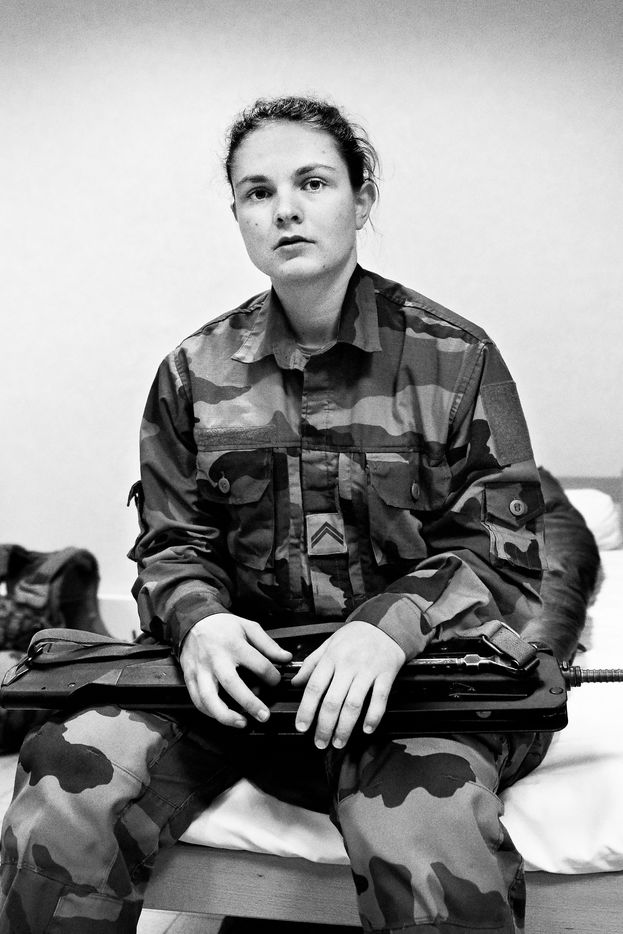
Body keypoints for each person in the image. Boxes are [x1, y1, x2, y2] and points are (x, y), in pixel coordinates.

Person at [0, 96, 552, 933]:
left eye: (312, 182)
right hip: (241, 694)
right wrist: (199, 622)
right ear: (239, 216)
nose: (284, 208)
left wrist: (385, 628)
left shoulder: (457, 358)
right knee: (66, 777)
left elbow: (501, 559)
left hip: (416, 691)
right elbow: (172, 544)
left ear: (361, 201)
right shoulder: (192, 371)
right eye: (257, 192)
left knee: (424, 829)